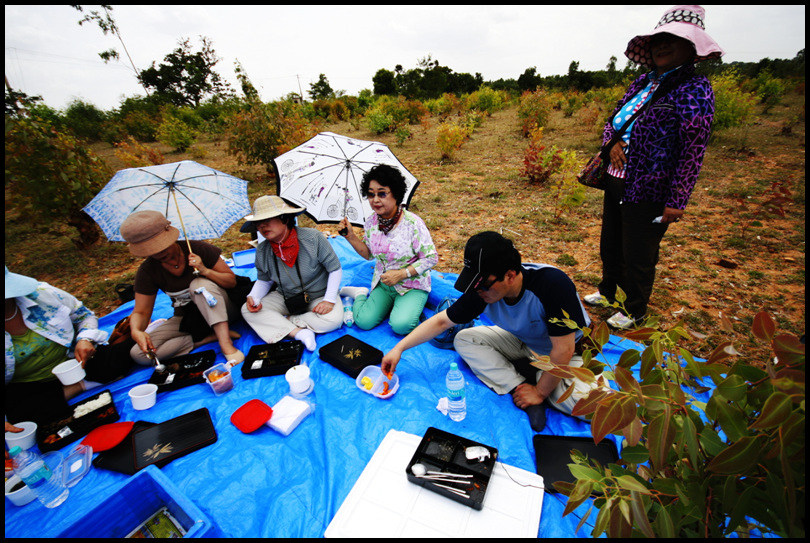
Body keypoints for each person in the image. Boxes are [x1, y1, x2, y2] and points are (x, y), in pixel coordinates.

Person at [584, 5, 723, 329]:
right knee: (611, 243)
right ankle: (607, 292)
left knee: (639, 252)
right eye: (658, 39)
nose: (662, 46)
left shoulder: (695, 90)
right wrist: (612, 142)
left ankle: (635, 309)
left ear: (692, 48)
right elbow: (614, 119)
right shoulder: (642, 82)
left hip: (651, 188)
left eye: (672, 40)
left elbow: (693, 151)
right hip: (617, 179)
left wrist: (677, 200)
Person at [381, 232, 600, 432]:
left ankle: (540, 386)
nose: (478, 291)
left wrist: (540, 392)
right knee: (465, 339)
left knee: (597, 408)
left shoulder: (552, 285)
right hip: (525, 341)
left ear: (510, 275)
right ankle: (520, 387)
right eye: (474, 285)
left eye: (484, 285)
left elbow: (564, 349)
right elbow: (441, 322)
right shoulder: (483, 290)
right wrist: (399, 348)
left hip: (567, 353)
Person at [5, 266, 134, 427]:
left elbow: (84, 316)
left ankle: (71, 389)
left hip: (76, 360)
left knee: (123, 357)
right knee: (21, 417)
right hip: (31, 384)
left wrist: (85, 339)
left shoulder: (43, 294)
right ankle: (80, 386)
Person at [119, 210, 245, 366]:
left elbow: (231, 282)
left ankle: (226, 344)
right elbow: (141, 311)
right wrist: (136, 331)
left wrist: (205, 270)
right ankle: (205, 338)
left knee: (199, 286)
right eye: (152, 251)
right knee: (140, 354)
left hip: (223, 310)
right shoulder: (147, 271)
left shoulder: (197, 249)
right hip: (189, 319)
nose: (159, 253)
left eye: (162, 246)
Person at [338, 164, 438, 335]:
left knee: (401, 326)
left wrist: (401, 274)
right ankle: (361, 294)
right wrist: (350, 236)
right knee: (363, 321)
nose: (375, 200)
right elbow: (368, 254)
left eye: (382, 193)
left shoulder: (413, 224)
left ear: (396, 194)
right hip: (384, 284)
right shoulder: (371, 222)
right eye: (371, 194)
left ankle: (406, 307)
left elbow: (430, 258)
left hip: (411, 285)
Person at [241, 196, 343, 351]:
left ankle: (287, 321)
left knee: (333, 320)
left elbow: (334, 269)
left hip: (319, 294)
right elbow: (264, 280)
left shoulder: (312, 238)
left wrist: (329, 300)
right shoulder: (262, 250)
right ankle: (299, 334)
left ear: (284, 219)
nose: (262, 226)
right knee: (246, 310)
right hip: (287, 296)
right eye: (258, 222)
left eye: (268, 220)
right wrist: (254, 297)